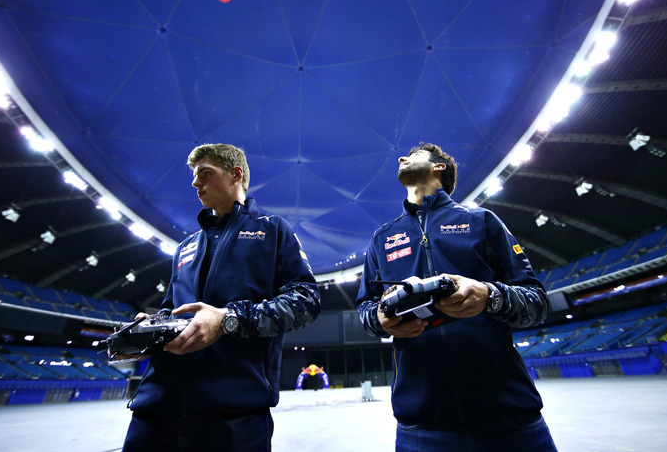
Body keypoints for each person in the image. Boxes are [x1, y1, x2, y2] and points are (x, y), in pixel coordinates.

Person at [356, 142, 557, 452]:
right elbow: (366, 309)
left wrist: (490, 294)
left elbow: (537, 303)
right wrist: (381, 317)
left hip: (509, 419)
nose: (401, 158)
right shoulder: (382, 238)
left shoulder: (482, 221)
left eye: (413, 155)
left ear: (439, 167)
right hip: (421, 426)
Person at [122, 143, 321, 452]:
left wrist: (227, 319)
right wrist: (149, 330)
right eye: (194, 175)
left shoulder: (272, 231)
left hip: (234, 416)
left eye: (205, 173)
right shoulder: (185, 247)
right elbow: (169, 312)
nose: (194, 182)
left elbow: (306, 300)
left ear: (235, 175)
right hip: (155, 411)